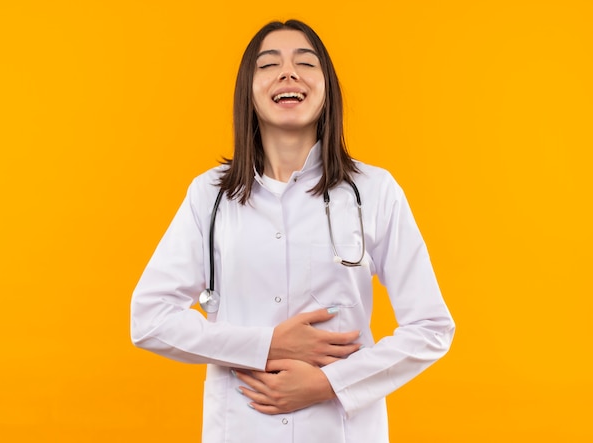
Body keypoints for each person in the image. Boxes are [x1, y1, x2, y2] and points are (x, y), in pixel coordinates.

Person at [130, 19, 455, 443]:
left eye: (306, 63)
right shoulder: (208, 196)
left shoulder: (375, 191)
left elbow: (431, 327)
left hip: (340, 430)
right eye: (269, 65)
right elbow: (149, 319)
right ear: (249, 89)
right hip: (242, 428)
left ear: (327, 89)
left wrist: (332, 383)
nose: (288, 73)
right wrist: (266, 345)